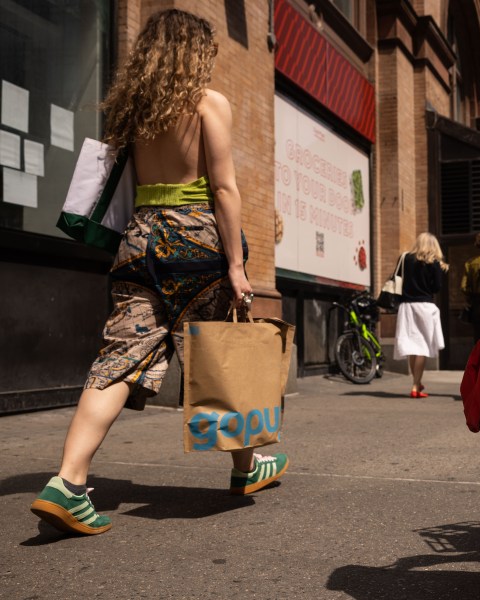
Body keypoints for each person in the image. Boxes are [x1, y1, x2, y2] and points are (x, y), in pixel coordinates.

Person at [29, 9, 287, 536]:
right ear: (196, 55)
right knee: (218, 355)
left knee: (119, 358)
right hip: (196, 240)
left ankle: (67, 481)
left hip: (140, 240)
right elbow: (223, 189)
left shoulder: (133, 110)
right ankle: (246, 468)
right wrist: (237, 266)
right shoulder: (208, 103)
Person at [393, 233, 449, 398]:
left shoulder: (405, 258)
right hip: (425, 306)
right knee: (422, 347)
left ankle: (416, 383)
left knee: (412, 346)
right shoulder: (433, 262)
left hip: (406, 306)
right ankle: (416, 385)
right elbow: (437, 287)